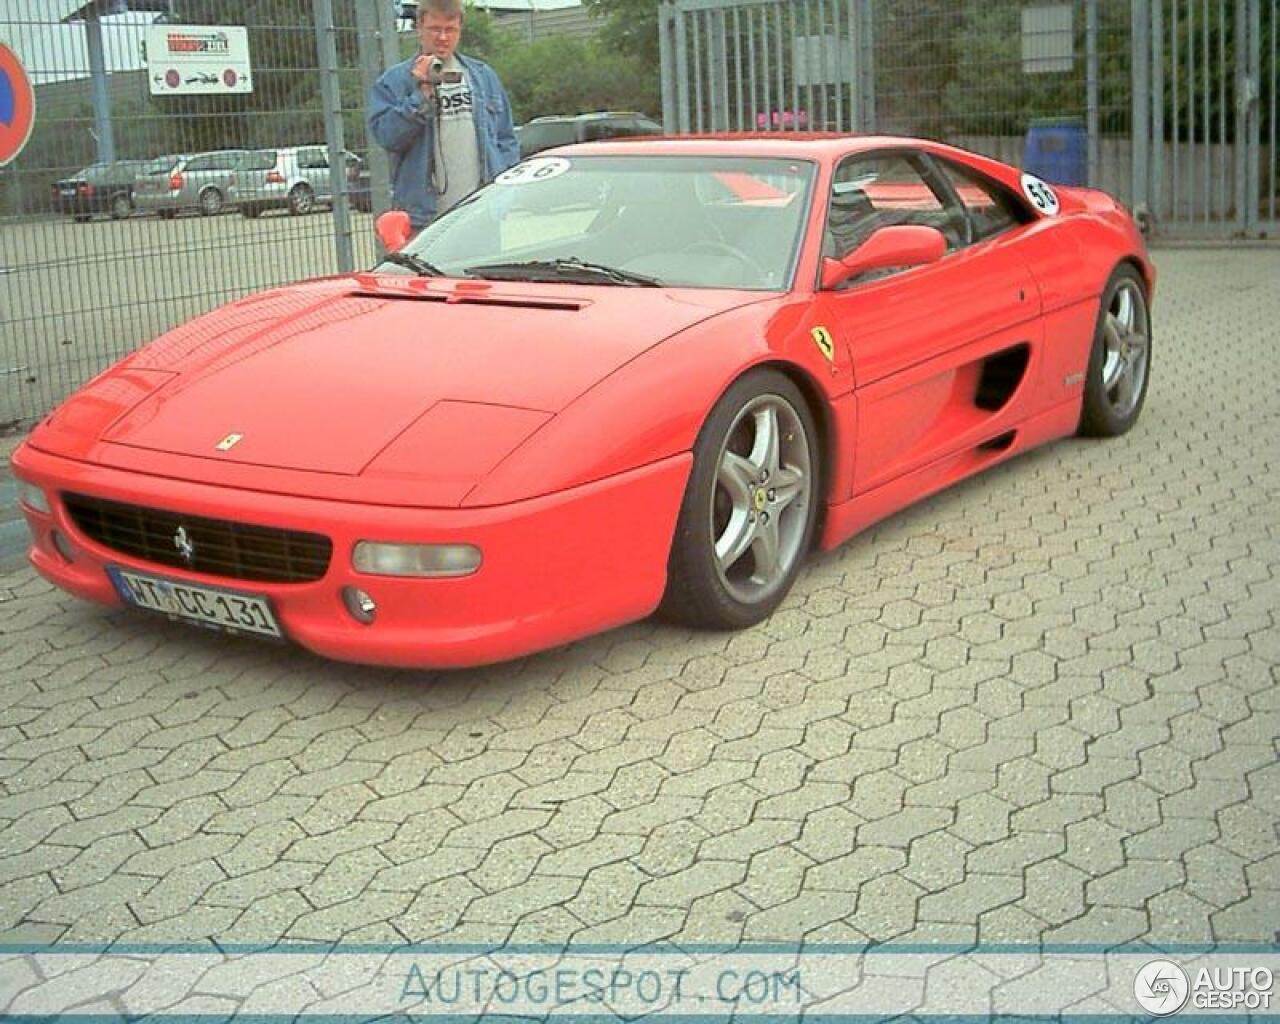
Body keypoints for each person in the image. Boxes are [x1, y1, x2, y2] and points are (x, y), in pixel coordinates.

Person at [369, 0, 519, 229]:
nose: (442, 38)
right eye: (435, 29)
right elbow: (387, 137)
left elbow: (506, 138)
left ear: (460, 30)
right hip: (424, 217)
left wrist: (502, 187)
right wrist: (421, 95)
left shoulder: (482, 77)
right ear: (419, 28)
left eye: (450, 30)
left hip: (483, 210)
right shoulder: (395, 82)